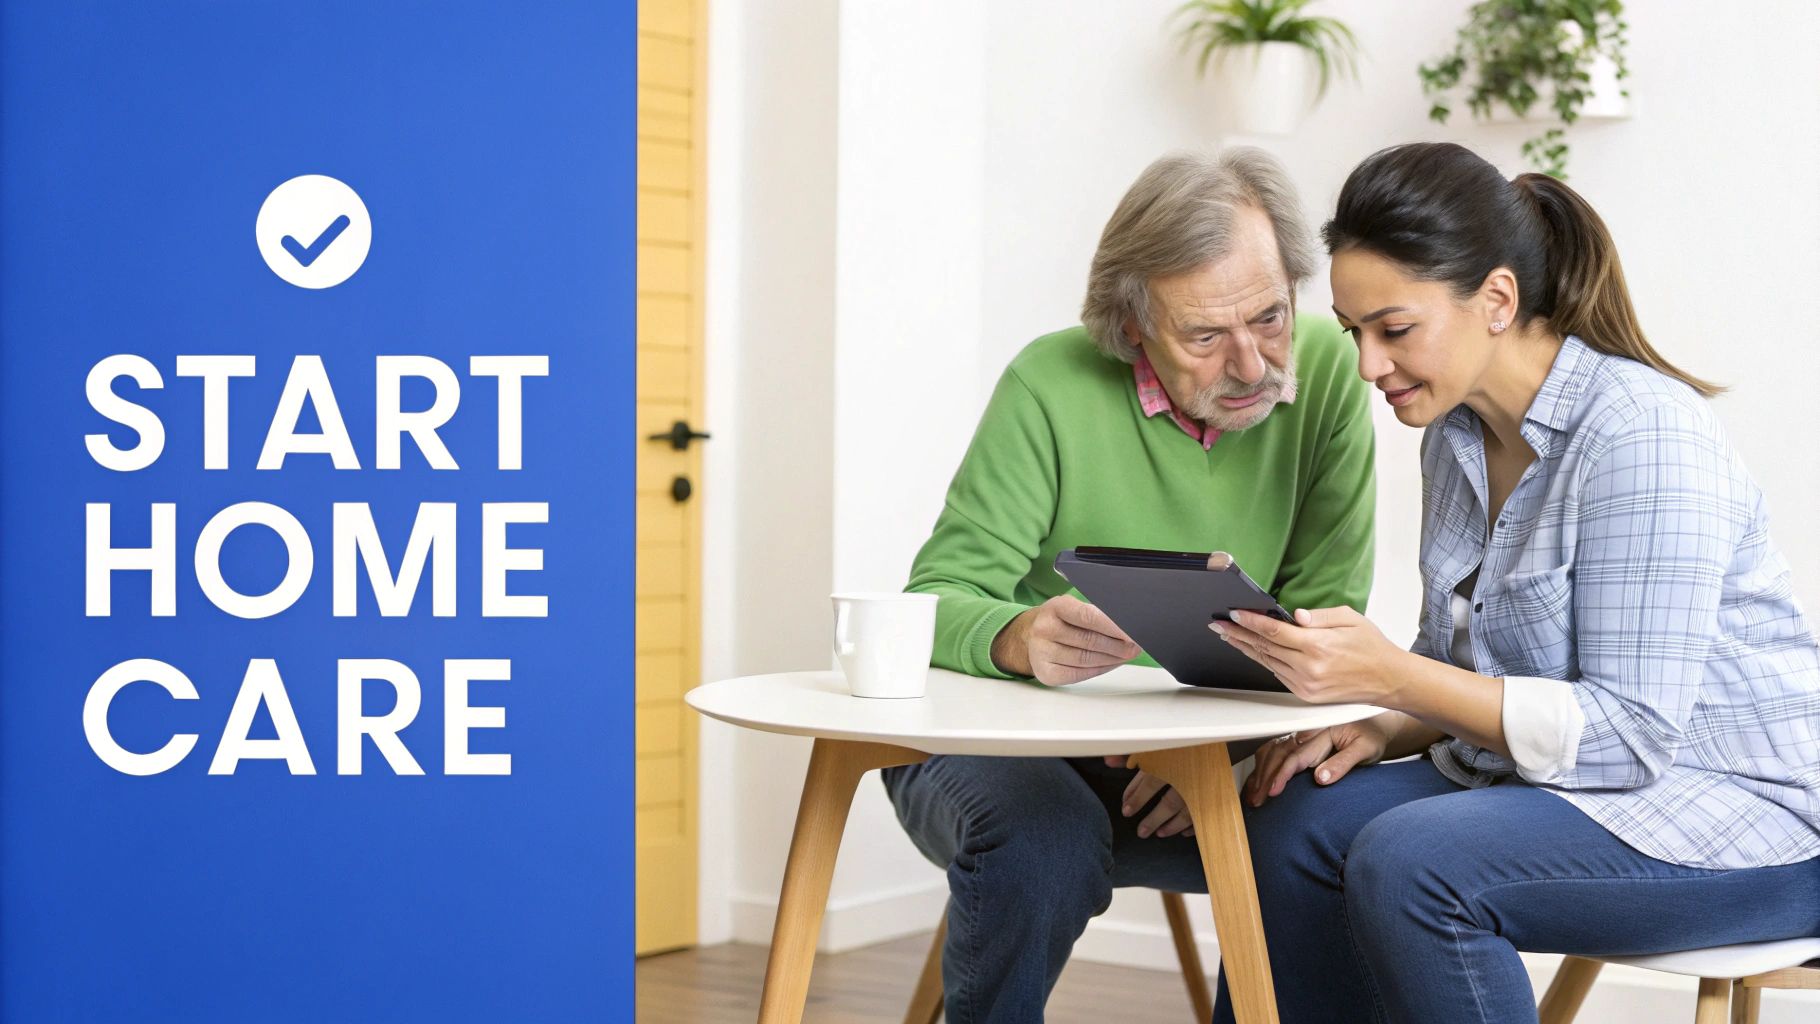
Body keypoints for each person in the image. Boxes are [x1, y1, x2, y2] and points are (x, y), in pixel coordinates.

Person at [1213, 141, 1820, 1023]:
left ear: (1497, 300)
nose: (1367, 366)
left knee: (1417, 863)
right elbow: (1459, 662)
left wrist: (1393, 677)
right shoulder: (1452, 439)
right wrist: (1382, 720)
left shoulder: (1642, 436)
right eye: (1354, 333)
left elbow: (1633, 734)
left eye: (1394, 329)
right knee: (1292, 818)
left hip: (1737, 813)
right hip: (1553, 785)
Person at [881, 148, 1377, 1024]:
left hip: (1198, 757)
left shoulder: (1329, 370)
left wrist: (1218, 753)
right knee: (1041, 840)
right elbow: (934, 601)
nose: (1255, 366)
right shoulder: (1050, 382)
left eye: (1269, 317)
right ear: (1131, 322)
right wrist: (1019, 638)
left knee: (1343, 833)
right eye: (1204, 337)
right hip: (1004, 747)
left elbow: (1325, 617)